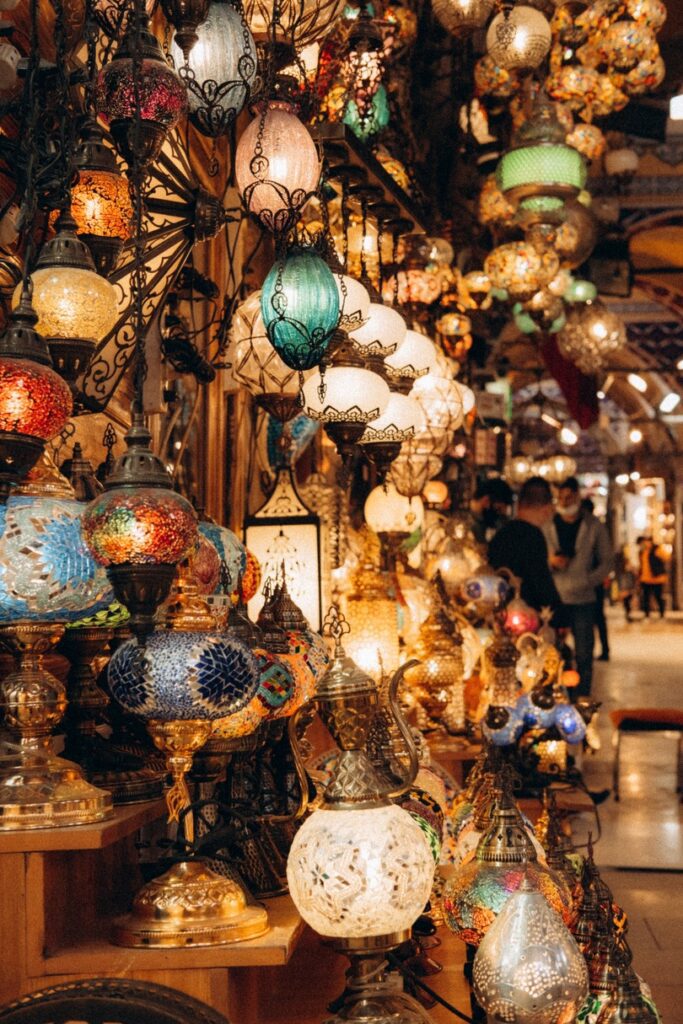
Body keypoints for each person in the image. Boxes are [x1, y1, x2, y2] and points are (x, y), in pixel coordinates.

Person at [543, 477, 612, 698]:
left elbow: (606, 561)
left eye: (569, 496)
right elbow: (537, 557)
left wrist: (588, 580)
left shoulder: (593, 526)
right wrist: (550, 562)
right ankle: (552, 694)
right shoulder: (548, 526)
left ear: (577, 497)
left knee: (584, 653)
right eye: (560, 497)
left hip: (583, 598)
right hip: (554, 597)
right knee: (550, 651)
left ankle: (581, 698)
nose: (564, 501)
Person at [488, 476, 563, 619]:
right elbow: (540, 580)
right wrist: (559, 615)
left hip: (500, 611)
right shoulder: (533, 536)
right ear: (546, 509)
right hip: (526, 615)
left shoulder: (501, 534)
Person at [582, 498, 610, 661]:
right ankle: (598, 649)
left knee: (595, 618)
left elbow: (604, 559)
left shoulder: (594, 529)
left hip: (593, 583)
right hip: (592, 582)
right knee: (597, 618)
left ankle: (601, 649)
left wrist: (593, 578)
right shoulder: (591, 529)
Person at [469, 477, 513, 548]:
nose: (499, 515)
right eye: (498, 509)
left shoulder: (481, 521)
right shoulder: (464, 523)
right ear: (486, 501)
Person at [637, 536, 668, 618]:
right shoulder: (642, 552)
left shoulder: (657, 549)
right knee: (646, 598)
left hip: (657, 579)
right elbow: (641, 566)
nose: (644, 544)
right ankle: (647, 615)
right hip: (645, 579)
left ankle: (662, 614)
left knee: (658, 597)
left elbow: (666, 557)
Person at [614, 544, 636, 622]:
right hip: (625, 580)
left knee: (626, 598)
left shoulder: (618, 560)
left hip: (624, 580)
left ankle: (628, 613)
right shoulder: (623, 560)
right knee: (627, 598)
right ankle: (628, 613)